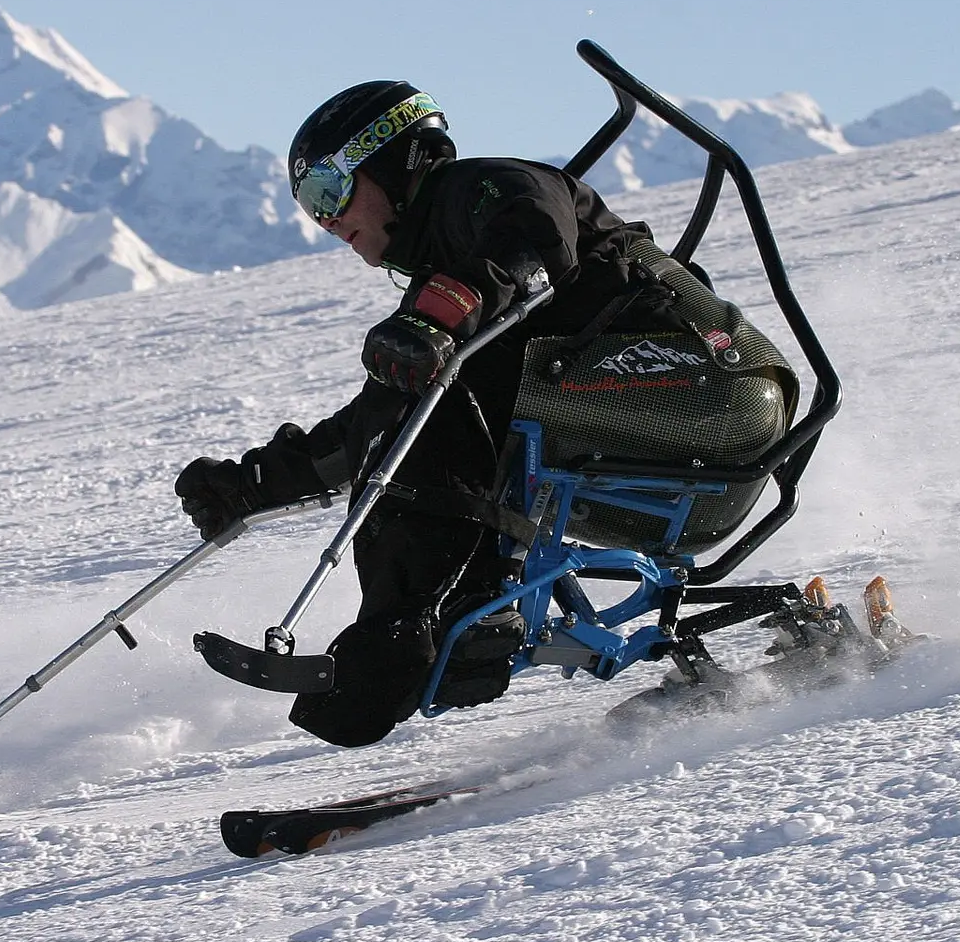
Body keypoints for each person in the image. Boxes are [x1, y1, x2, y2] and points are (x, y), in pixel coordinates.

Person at [175, 80, 794, 747]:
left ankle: (426, 624)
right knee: (423, 394)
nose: (328, 222)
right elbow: (381, 425)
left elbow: (535, 228)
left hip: (710, 388)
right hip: (662, 445)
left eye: (330, 192)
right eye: (310, 209)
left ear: (396, 160)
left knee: (440, 395)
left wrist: (442, 314)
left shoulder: (482, 189)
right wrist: (257, 486)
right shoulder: (450, 267)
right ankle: (435, 621)